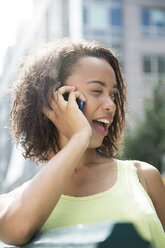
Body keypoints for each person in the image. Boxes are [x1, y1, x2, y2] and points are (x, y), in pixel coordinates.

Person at [0, 39, 164, 247]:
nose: (111, 105)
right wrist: (78, 139)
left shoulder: (144, 177)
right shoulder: (13, 201)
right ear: (55, 98)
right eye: (97, 91)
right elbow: (17, 230)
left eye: (113, 94)